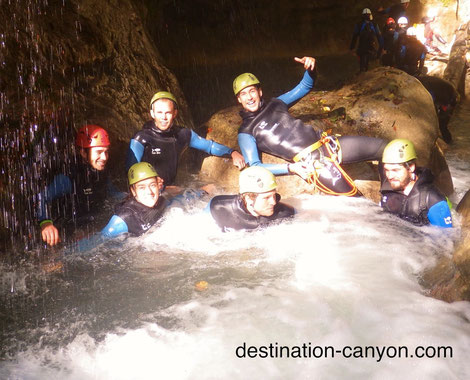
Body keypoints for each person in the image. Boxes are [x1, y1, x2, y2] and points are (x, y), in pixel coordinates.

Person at [233, 57, 387, 197]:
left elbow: (305, 86)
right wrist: (291, 168)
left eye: (252, 91)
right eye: (244, 94)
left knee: (387, 150)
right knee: (357, 201)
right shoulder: (246, 131)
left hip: (329, 144)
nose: (250, 97)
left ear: (260, 92)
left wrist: (310, 70)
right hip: (313, 163)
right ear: (239, 99)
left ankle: (391, 196)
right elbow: (255, 167)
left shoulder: (276, 103)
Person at [126, 91, 245, 194]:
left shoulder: (182, 134)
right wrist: (155, 184)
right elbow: (130, 172)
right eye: (159, 113)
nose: (164, 117)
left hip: (169, 190)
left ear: (175, 113)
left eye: (167, 113)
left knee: (211, 189)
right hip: (148, 192)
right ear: (152, 113)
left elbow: (209, 146)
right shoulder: (141, 138)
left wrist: (232, 152)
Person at [37, 125, 125, 247]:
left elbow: (113, 193)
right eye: (99, 152)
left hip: (92, 226)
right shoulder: (69, 178)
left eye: (106, 152)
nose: (104, 158)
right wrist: (46, 223)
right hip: (69, 231)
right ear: (83, 152)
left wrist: (132, 195)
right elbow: (41, 198)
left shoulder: (101, 172)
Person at [379, 139, 452, 227]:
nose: (390, 176)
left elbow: (445, 238)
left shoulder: (432, 199)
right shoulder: (387, 191)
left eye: (395, 170)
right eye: (387, 170)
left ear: (411, 167)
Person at [207, 166, 295, 232]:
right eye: (266, 197)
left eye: (274, 195)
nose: (273, 202)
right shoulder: (219, 207)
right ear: (248, 198)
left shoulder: (286, 213)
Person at [417, 75, 457, 144]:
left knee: (442, 125)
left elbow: (431, 101)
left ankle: (449, 143)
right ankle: (448, 142)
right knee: (440, 123)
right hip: (447, 96)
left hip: (448, 100)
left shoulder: (425, 85)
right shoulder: (423, 81)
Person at [350, 8, 384, 72]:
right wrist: (381, 46)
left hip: (362, 47)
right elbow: (379, 36)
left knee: (362, 64)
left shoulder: (359, 24)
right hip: (371, 47)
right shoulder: (374, 24)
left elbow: (354, 36)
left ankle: (362, 72)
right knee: (370, 63)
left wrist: (352, 48)